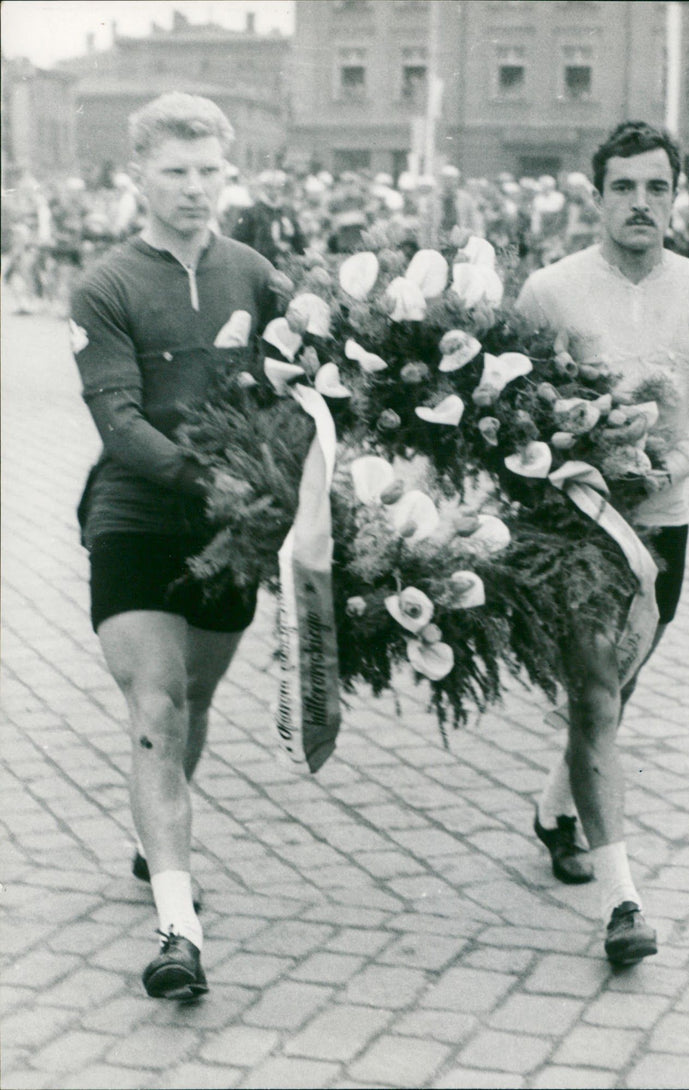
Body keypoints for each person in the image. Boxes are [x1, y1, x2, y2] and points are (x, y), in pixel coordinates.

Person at [515, 121, 689, 964]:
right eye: (625, 187)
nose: (641, 203)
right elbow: (509, 407)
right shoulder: (549, 290)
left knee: (616, 690)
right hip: (575, 527)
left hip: (663, 524)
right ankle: (624, 904)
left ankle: (553, 812)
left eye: (658, 188)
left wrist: (675, 465)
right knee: (593, 698)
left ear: (677, 196)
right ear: (597, 196)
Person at [70, 92, 283, 999]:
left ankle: (158, 843)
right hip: (136, 516)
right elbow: (118, 422)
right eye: (175, 172)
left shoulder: (256, 273)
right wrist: (208, 479)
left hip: (232, 531)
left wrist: (287, 479)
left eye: (208, 172)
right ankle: (176, 926)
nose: (194, 189)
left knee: (192, 701)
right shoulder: (104, 284)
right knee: (155, 703)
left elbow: (291, 393)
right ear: (139, 179)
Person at [231, 168, 306, 263]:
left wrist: (305, 252)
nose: (275, 191)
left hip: (286, 262)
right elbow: (238, 240)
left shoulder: (288, 210)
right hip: (260, 262)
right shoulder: (252, 212)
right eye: (270, 187)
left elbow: (299, 238)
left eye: (279, 187)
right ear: (264, 188)